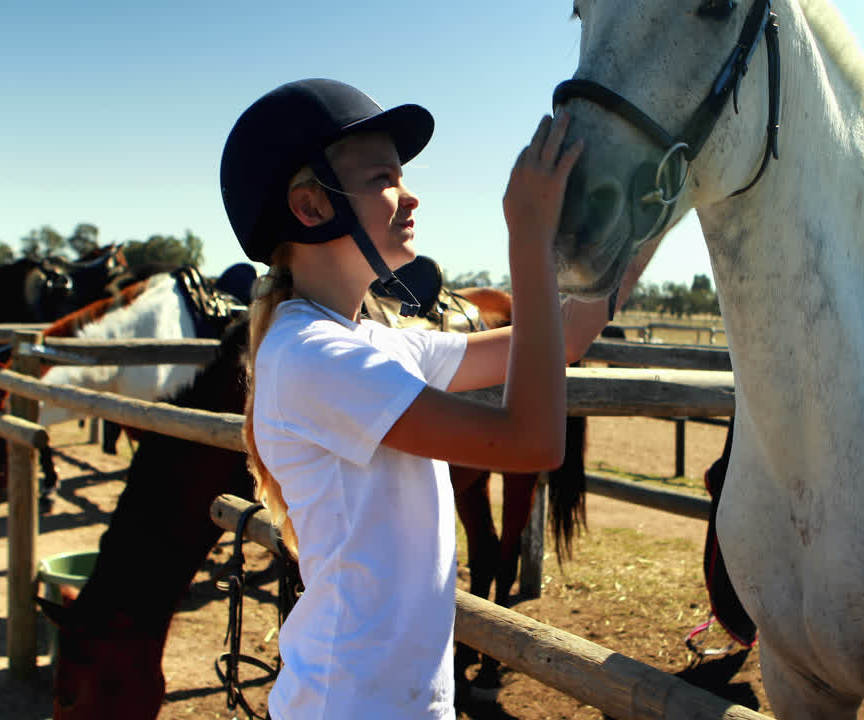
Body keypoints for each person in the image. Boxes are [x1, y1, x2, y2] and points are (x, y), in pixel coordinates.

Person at [219, 78, 645, 719]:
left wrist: (650, 217)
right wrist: (529, 237)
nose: (410, 193)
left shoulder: (371, 343)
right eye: (383, 178)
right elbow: (532, 441)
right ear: (310, 207)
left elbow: (564, 337)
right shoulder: (312, 356)